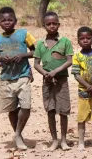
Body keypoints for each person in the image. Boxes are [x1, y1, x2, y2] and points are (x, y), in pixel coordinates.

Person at [0, 7, 36, 150]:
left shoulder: (24, 34)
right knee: (12, 109)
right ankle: (18, 136)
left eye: (10, 20)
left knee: (26, 107)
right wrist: (1, 58)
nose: (7, 22)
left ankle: (17, 133)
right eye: (3, 20)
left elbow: (36, 51)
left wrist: (22, 55)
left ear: (15, 21)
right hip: (6, 79)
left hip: (23, 75)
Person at [34, 11, 73, 151]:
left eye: (54, 23)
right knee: (50, 110)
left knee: (63, 110)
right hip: (47, 82)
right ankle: (54, 140)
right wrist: (46, 74)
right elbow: (36, 64)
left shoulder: (65, 42)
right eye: (48, 24)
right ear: (44, 25)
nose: (52, 26)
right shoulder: (40, 44)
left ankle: (63, 140)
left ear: (59, 24)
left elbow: (69, 61)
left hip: (62, 80)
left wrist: (56, 72)